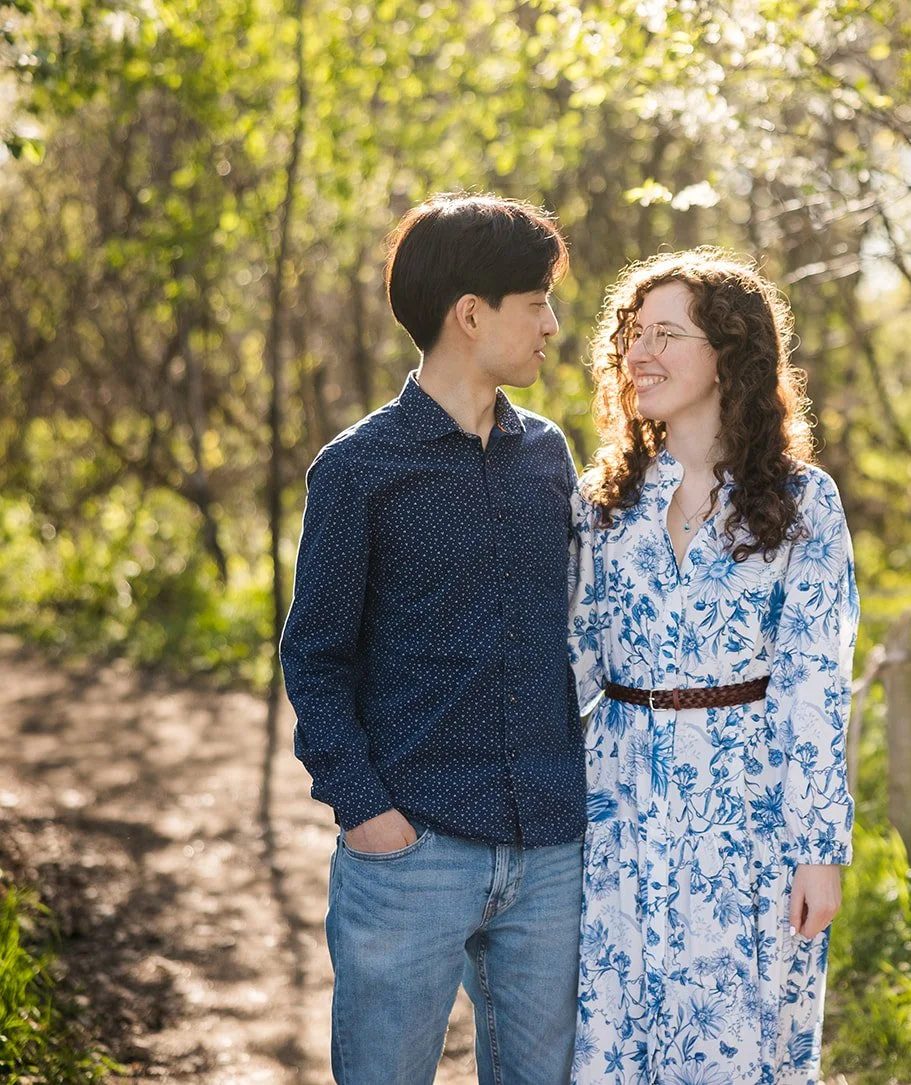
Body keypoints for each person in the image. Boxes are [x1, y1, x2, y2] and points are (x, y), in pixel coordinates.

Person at [280, 192, 585, 1085]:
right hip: (410, 849)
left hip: (550, 850)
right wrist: (369, 814)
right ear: (470, 314)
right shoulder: (356, 469)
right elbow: (315, 654)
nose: (553, 325)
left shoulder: (549, 456)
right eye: (537, 304)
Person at [568, 248, 859, 1084]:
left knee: (735, 1051)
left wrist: (818, 849)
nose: (639, 351)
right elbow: (570, 668)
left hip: (748, 819)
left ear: (730, 352)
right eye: (631, 333)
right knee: (613, 1052)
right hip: (617, 812)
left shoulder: (804, 502)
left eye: (667, 332)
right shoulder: (602, 503)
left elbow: (814, 688)